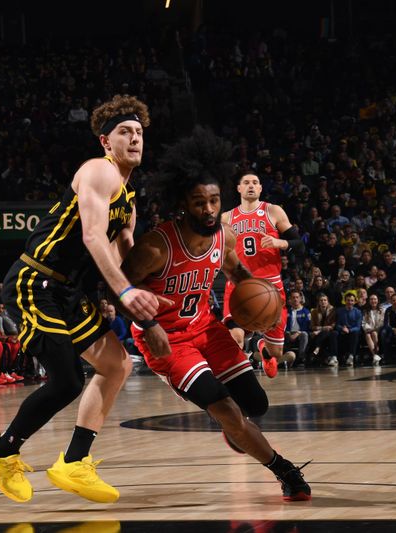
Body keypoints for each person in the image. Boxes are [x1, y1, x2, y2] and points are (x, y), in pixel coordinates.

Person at [0, 95, 167, 504]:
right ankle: (1, 450)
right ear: (105, 141)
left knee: (116, 364)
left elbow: (127, 261)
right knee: (66, 381)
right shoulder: (99, 172)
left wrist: (151, 316)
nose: (134, 138)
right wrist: (126, 292)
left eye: (139, 132)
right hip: (35, 281)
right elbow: (93, 237)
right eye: (124, 132)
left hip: (70, 291)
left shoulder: (130, 201)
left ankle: (74, 461)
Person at [121, 127, 311, 501]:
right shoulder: (156, 246)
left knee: (256, 405)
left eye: (213, 201)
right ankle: (283, 469)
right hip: (167, 339)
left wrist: (262, 300)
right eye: (198, 202)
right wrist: (147, 322)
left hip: (205, 327)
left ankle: (232, 425)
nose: (208, 210)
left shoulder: (224, 236)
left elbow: (239, 274)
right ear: (183, 203)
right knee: (225, 407)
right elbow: (118, 285)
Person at [221, 173, 305, 378]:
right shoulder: (226, 217)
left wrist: (281, 243)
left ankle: (264, 349)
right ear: (239, 189)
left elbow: (299, 244)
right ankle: (238, 385)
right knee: (235, 337)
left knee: (276, 351)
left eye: (255, 183)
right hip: (239, 283)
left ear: (260, 189)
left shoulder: (273, 211)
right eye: (246, 183)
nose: (251, 186)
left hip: (270, 285)